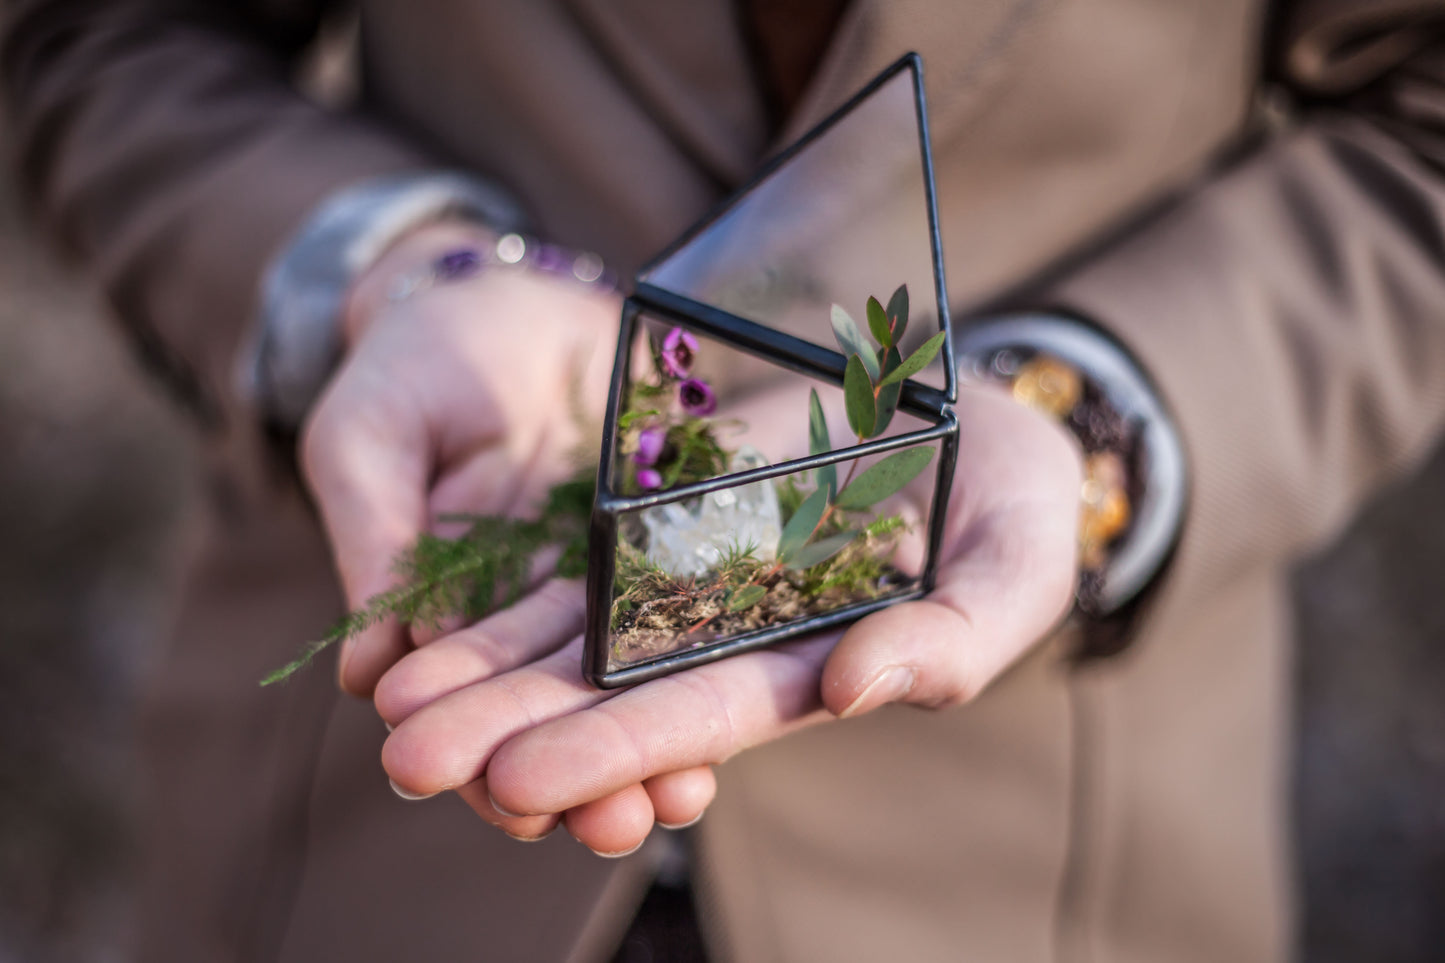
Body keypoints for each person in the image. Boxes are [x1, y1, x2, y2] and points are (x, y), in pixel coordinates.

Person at [5, 1, 1445, 960]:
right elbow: (108, 34)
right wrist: (392, 273)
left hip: (1037, 866)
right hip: (379, 817)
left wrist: (1087, 422)